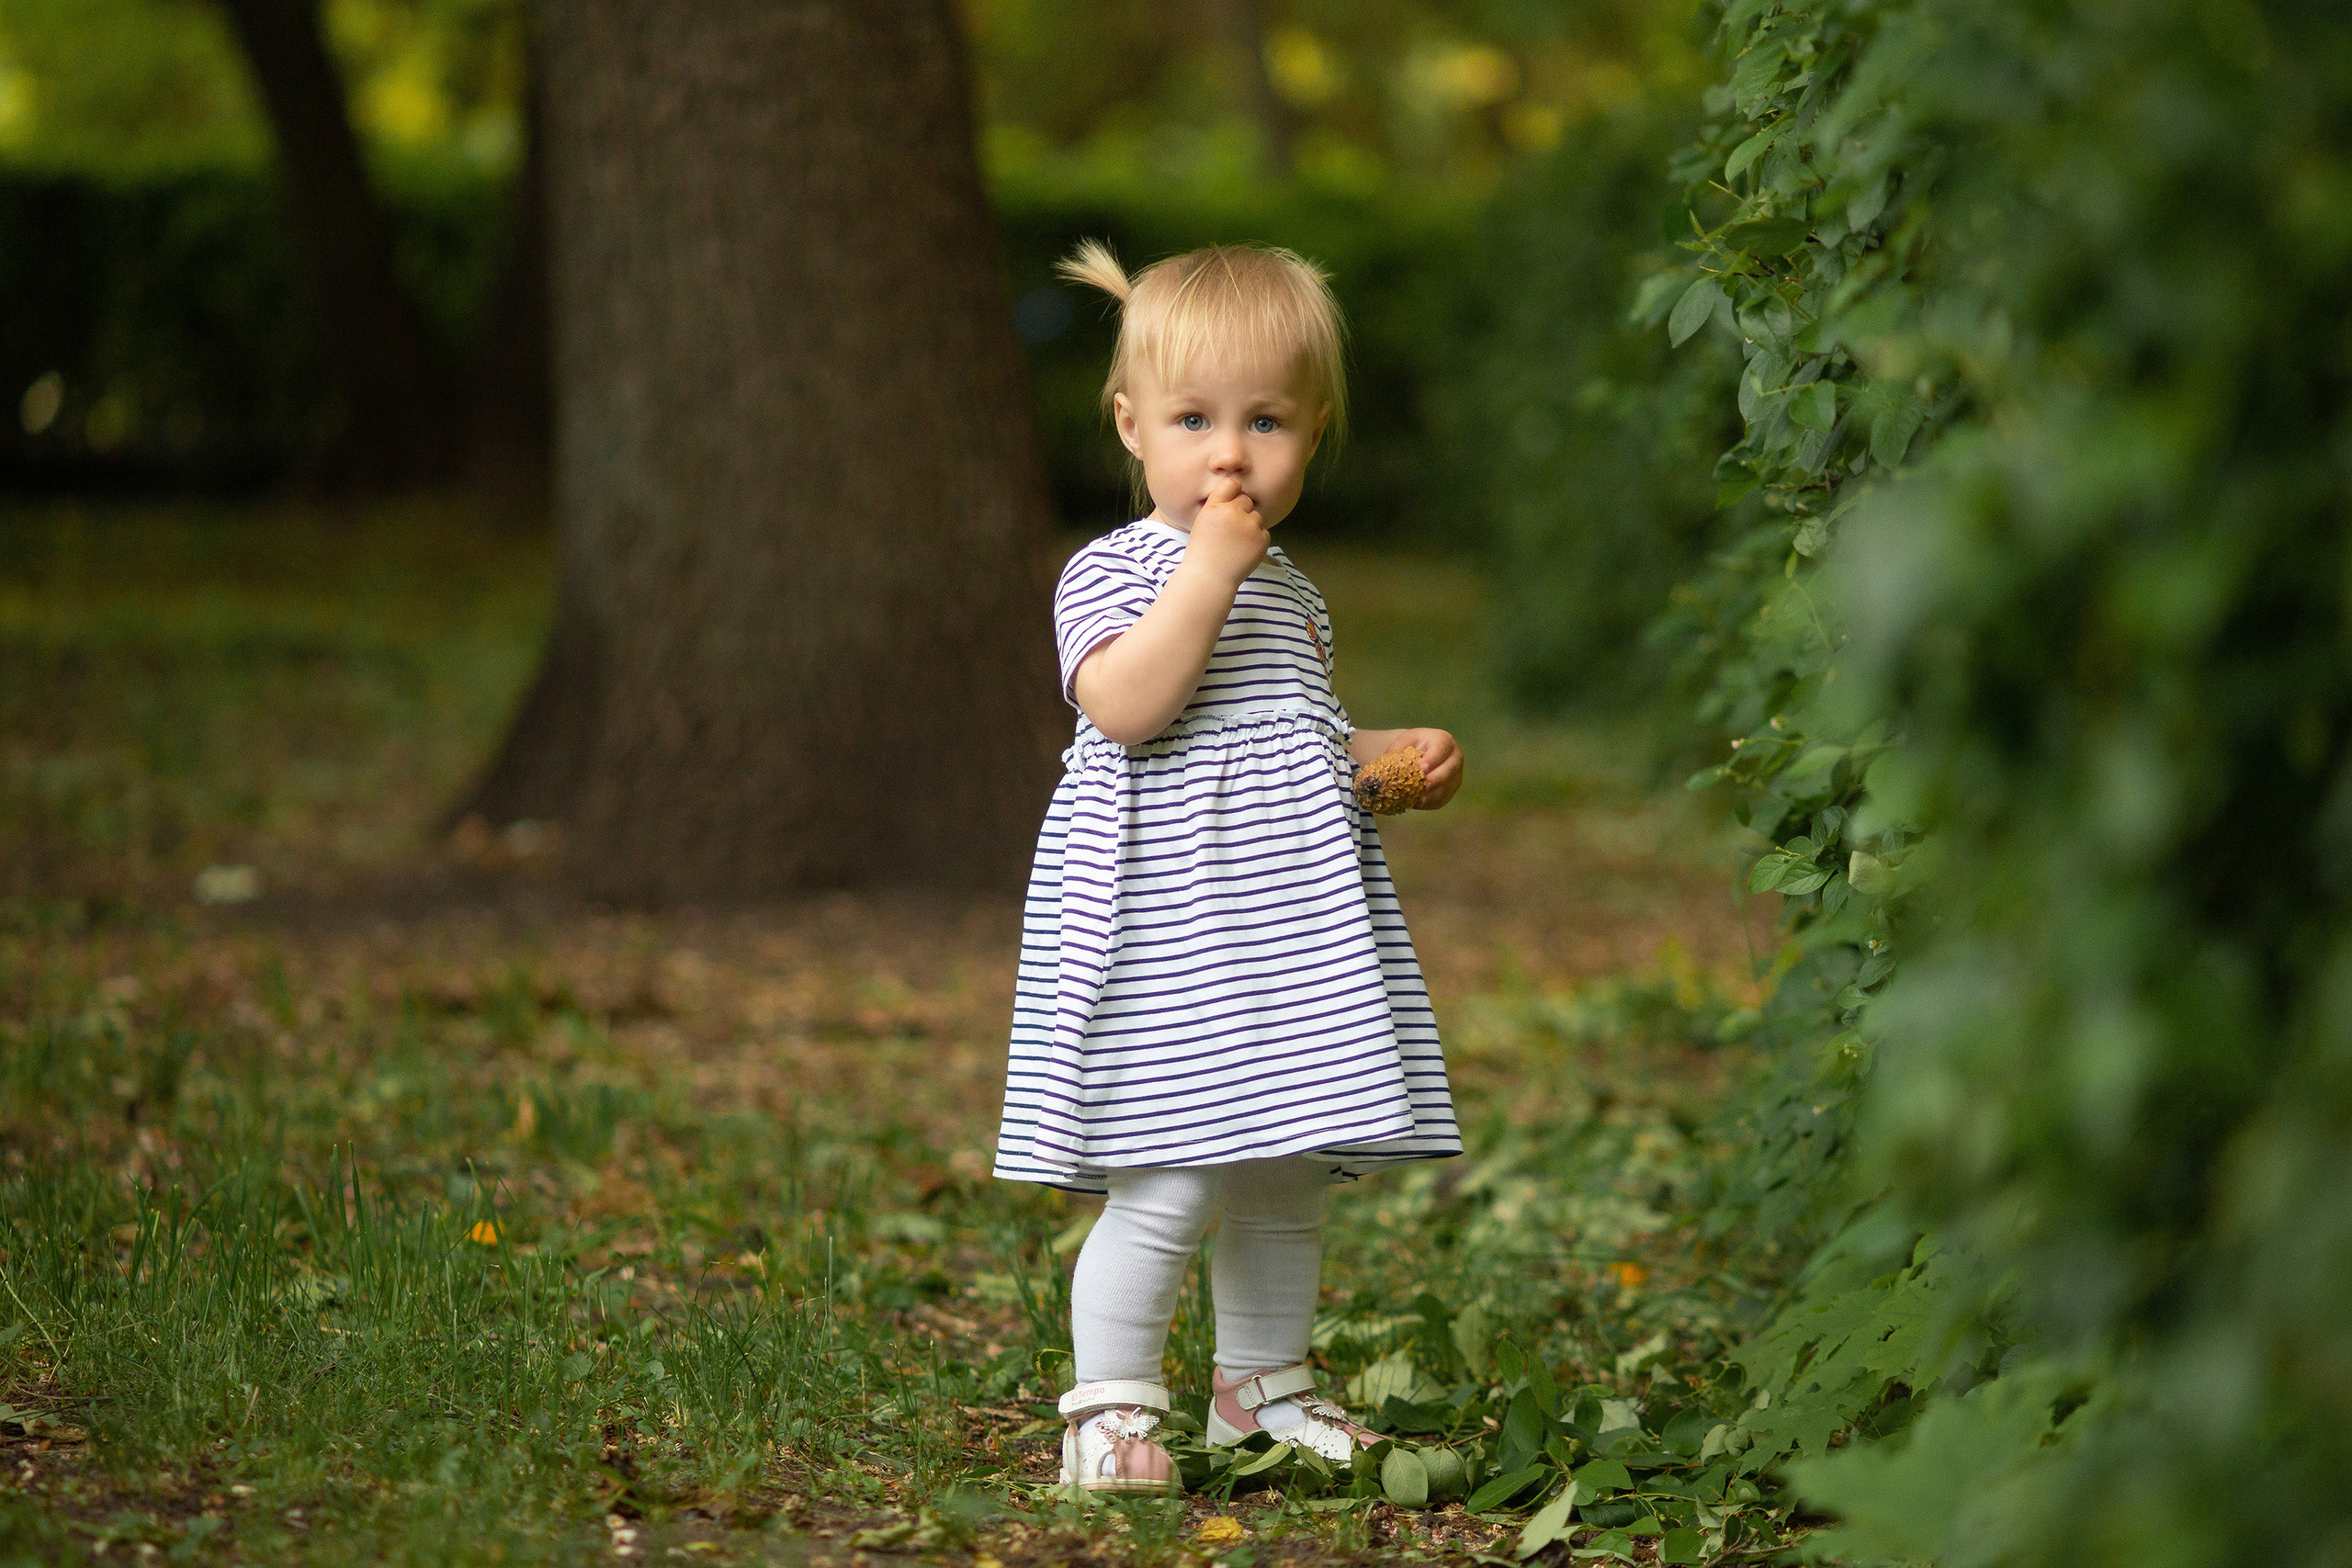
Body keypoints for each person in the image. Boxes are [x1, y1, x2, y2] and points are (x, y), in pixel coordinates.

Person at [991, 239, 1465, 1495]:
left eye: (1266, 421)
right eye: (1194, 420)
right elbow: (1129, 706)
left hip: (1282, 936)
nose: (1230, 455)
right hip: (1168, 936)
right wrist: (1207, 571)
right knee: (1173, 1171)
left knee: (1284, 1168)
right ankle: (1108, 1411)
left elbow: (1287, 744)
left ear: (1314, 434)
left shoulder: (1292, 594)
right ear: (1131, 427)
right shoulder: (1115, 569)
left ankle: (1263, 1391)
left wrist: (1384, 759)